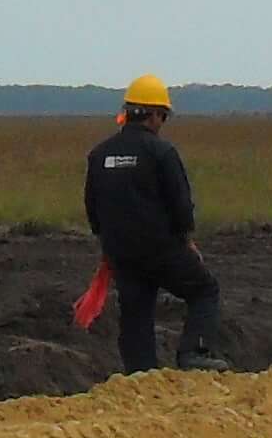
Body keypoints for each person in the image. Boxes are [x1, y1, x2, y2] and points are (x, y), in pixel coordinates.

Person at [84, 75, 227, 373]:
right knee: (204, 291)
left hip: (120, 252)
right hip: (161, 248)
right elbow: (180, 204)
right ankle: (195, 354)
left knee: (136, 314)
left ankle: (140, 376)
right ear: (155, 115)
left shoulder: (99, 155)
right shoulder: (161, 152)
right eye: (163, 116)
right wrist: (187, 240)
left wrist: (108, 244)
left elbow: (92, 207)